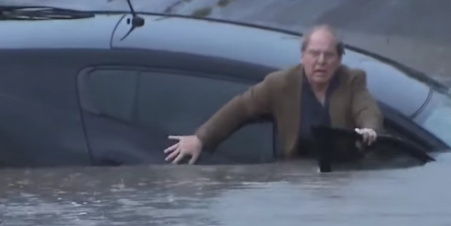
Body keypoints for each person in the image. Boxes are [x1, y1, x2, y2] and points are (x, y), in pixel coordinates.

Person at [164, 24, 384, 164]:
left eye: (328, 55)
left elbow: (366, 108)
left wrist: (369, 129)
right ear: (302, 56)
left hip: (343, 179)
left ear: (339, 59)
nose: (321, 61)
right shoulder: (281, 84)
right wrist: (202, 138)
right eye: (314, 54)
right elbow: (241, 107)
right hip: (296, 179)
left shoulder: (351, 80)